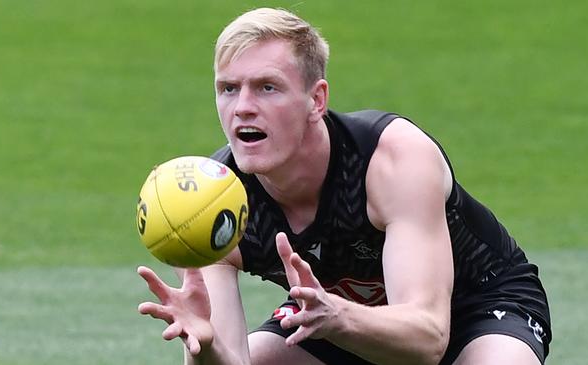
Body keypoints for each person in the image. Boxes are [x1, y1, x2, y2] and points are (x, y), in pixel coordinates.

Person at [137, 7, 551, 365]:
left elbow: (427, 339)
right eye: (228, 88)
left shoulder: (391, 158)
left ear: (316, 100)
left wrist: (337, 316)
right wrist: (203, 345)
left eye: (267, 87)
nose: (243, 106)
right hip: (330, 315)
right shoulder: (209, 208)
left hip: (477, 307)